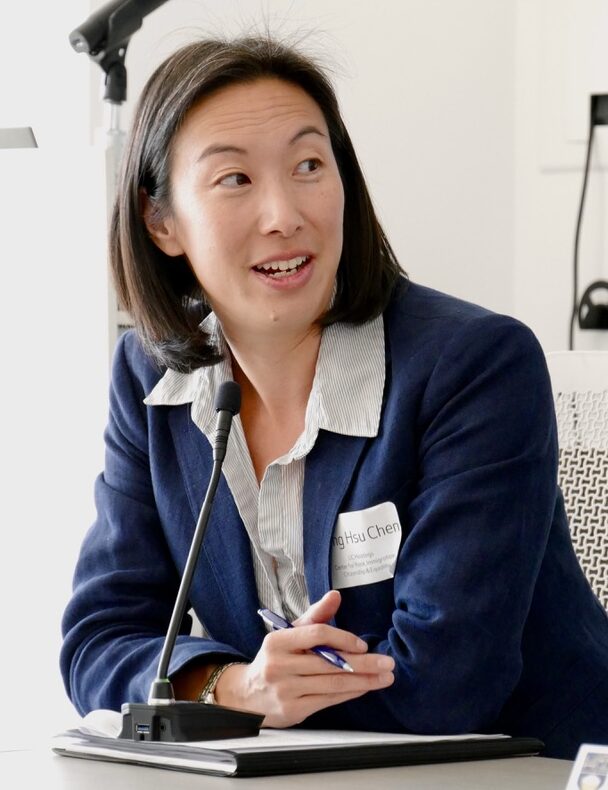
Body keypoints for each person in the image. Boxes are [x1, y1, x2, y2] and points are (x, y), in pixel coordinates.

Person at [60, 35, 608, 760]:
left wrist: (250, 703)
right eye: (234, 179)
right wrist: (232, 687)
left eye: (309, 166)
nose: (284, 213)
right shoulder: (150, 376)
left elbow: (445, 689)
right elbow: (98, 640)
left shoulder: (475, 366)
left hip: (524, 770)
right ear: (162, 223)